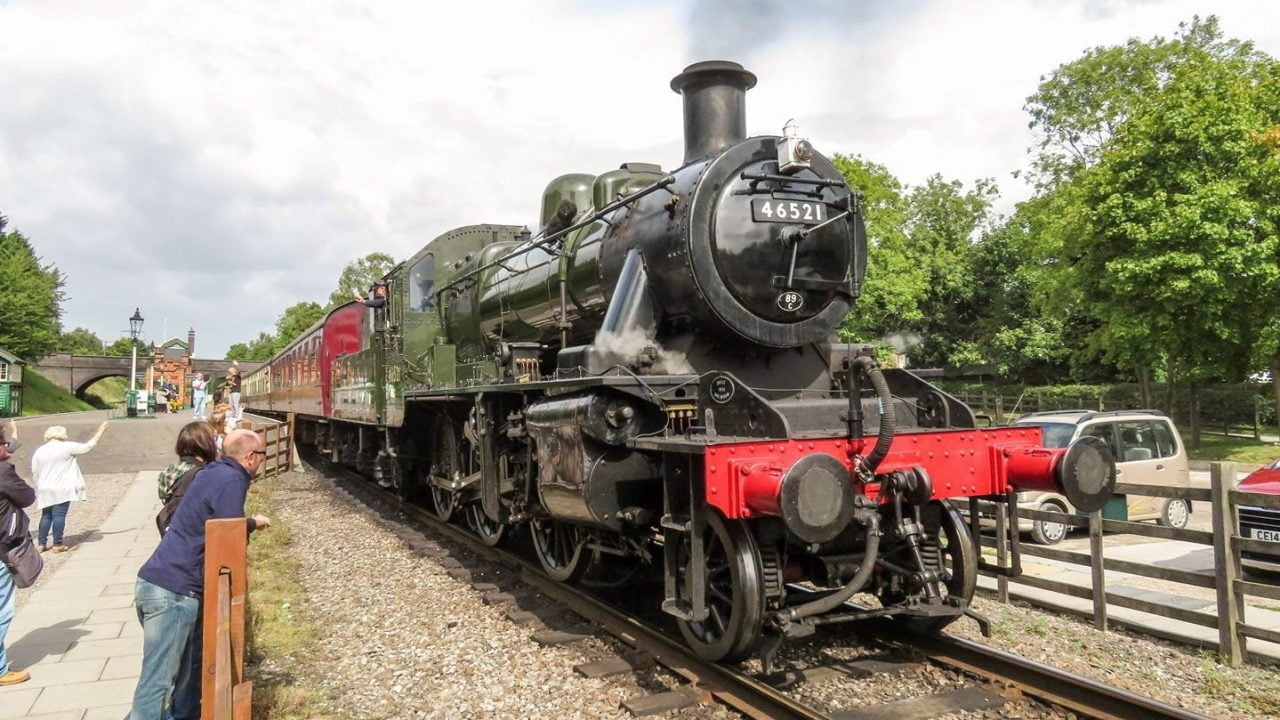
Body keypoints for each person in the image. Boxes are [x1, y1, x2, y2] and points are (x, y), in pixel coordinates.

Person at [126, 429, 271, 720]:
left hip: (161, 584)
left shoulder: (212, 472)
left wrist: (249, 523)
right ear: (251, 457)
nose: (263, 462)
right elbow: (227, 533)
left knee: (180, 673)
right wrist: (251, 525)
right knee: (158, 681)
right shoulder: (232, 480)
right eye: (263, 455)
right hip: (175, 592)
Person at [31, 421, 108, 553]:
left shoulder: (40, 450)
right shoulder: (66, 447)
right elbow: (87, 447)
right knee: (59, 515)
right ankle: (57, 544)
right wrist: (100, 432)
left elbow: (34, 470)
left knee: (46, 516)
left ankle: (41, 544)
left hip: (45, 487)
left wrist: (38, 484)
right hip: (62, 486)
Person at [0, 420, 33, 686]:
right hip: (1, 550)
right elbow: (27, 497)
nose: (8, 450)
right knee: (1, 610)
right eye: (4, 444)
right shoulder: (2, 473)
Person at [155, 422, 218, 537]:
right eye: (215, 439)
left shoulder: (170, 471)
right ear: (205, 444)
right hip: (196, 538)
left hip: (175, 534)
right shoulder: (202, 475)